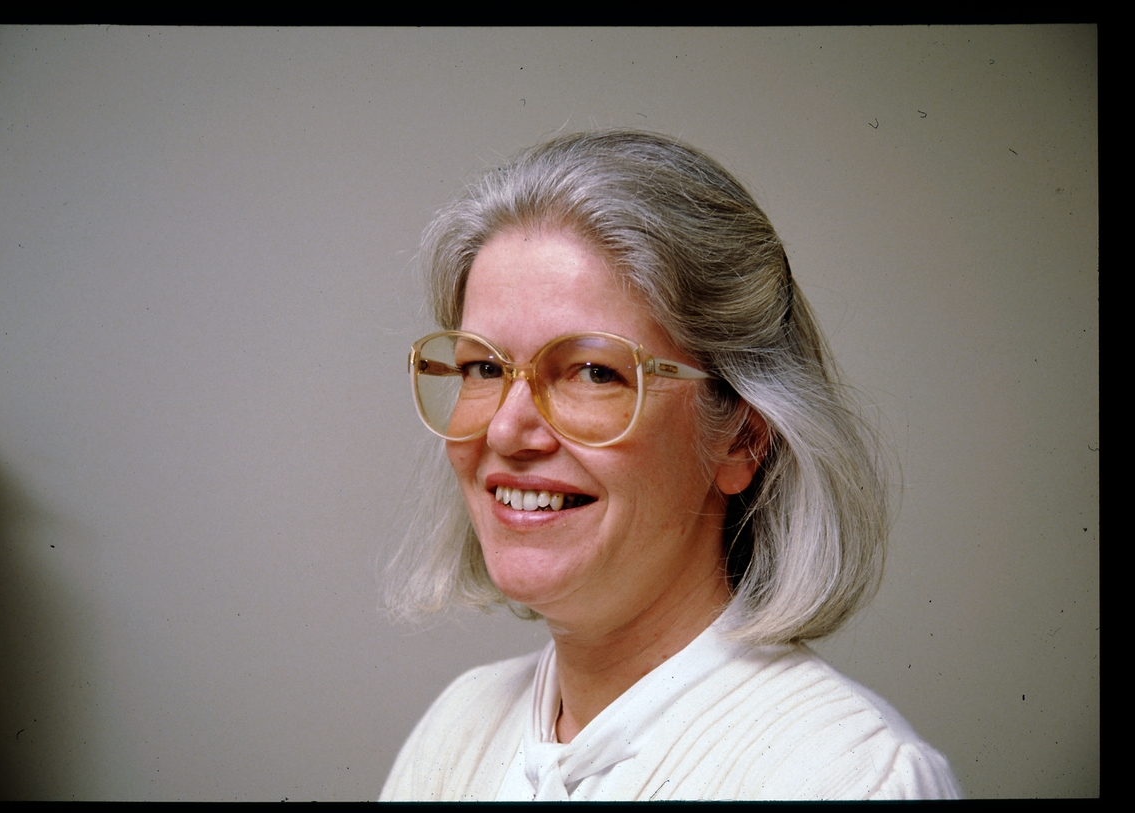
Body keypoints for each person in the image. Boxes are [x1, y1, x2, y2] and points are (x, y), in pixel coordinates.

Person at [380, 130, 961, 801]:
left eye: (593, 372)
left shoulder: (849, 779)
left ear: (742, 438)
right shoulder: (457, 729)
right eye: (483, 367)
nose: (506, 430)